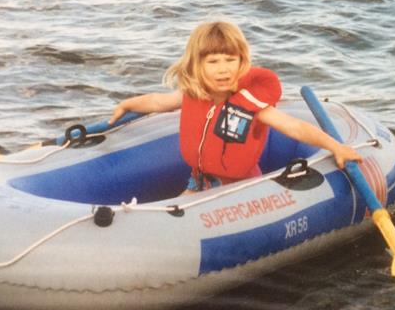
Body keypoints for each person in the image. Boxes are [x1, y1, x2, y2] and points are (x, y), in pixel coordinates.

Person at [109, 21, 363, 193]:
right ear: (197, 65)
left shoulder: (251, 103)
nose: (223, 69)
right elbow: (157, 102)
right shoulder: (192, 94)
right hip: (200, 182)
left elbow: (294, 127)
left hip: (241, 189)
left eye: (230, 60)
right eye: (213, 61)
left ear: (242, 62)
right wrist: (127, 104)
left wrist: (336, 147)